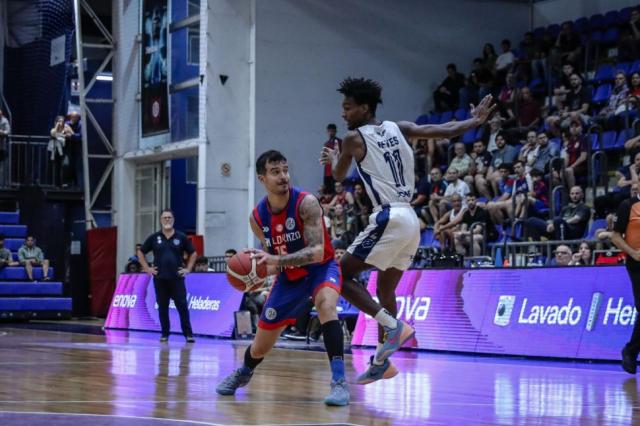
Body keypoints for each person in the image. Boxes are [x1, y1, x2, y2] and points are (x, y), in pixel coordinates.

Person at [320, 77, 494, 383]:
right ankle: (381, 360)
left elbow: (338, 175)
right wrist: (474, 122)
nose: (343, 113)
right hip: (411, 219)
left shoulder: (352, 138)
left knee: (339, 275)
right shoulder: (398, 127)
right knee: (385, 290)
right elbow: (443, 130)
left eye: (348, 107)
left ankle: (392, 326)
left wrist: (335, 158)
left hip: (388, 216)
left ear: (364, 108)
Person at [216, 150, 349, 406]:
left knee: (326, 306)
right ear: (262, 179)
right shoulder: (257, 217)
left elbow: (317, 251)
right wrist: (256, 273)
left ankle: (339, 381)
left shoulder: (306, 203)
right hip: (289, 277)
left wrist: (275, 261)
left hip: (321, 268)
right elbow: (273, 258)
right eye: (275, 172)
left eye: (285, 170)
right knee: (260, 346)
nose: (283, 176)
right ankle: (244, 372)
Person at [137, 209, 197, 343]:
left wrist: (188, 269)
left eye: (169, 217)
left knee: (182, 307)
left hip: (177, 279)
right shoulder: (154, 237)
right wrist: (147, 268)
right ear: (160, 220)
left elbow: (193, 253)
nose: (167, 220)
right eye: (164, 217)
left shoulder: (181, 237)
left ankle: (188, 334)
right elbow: (141, 252)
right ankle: (165, 333)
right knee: (162, 307)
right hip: (160, 279)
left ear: (173, 219)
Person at [611, 190, 640, 374]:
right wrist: (633, 253)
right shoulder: (628, 205)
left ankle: (631, 351)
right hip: (637, 264)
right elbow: (615, 236)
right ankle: (630, 351)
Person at [49, 116, 72, 187]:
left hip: (65, 150)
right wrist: (57, 126)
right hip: (56, 151)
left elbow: (71, 135)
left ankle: (64, 182)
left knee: (65, 165)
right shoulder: (54, 129)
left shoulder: (66, 128)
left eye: (62, 121)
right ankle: (57, 185)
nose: (60, 122)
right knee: (57, 168)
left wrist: (66, 131)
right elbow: (53, 134)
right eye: (59, 121)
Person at [323, 124, 342, 190]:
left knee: (337, 189)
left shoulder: (340, 142)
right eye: (329, 131)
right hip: (328, 170)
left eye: (332, 131)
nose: (330, 133)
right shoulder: (326, 144)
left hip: (337, 169)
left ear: (335, 131)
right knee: (328, 189)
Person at [0, 108, 10, 185]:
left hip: (1, 147)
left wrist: (1, 132)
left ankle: (2, 184)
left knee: (2, 167)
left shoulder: (4, 121)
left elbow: (7, 131)